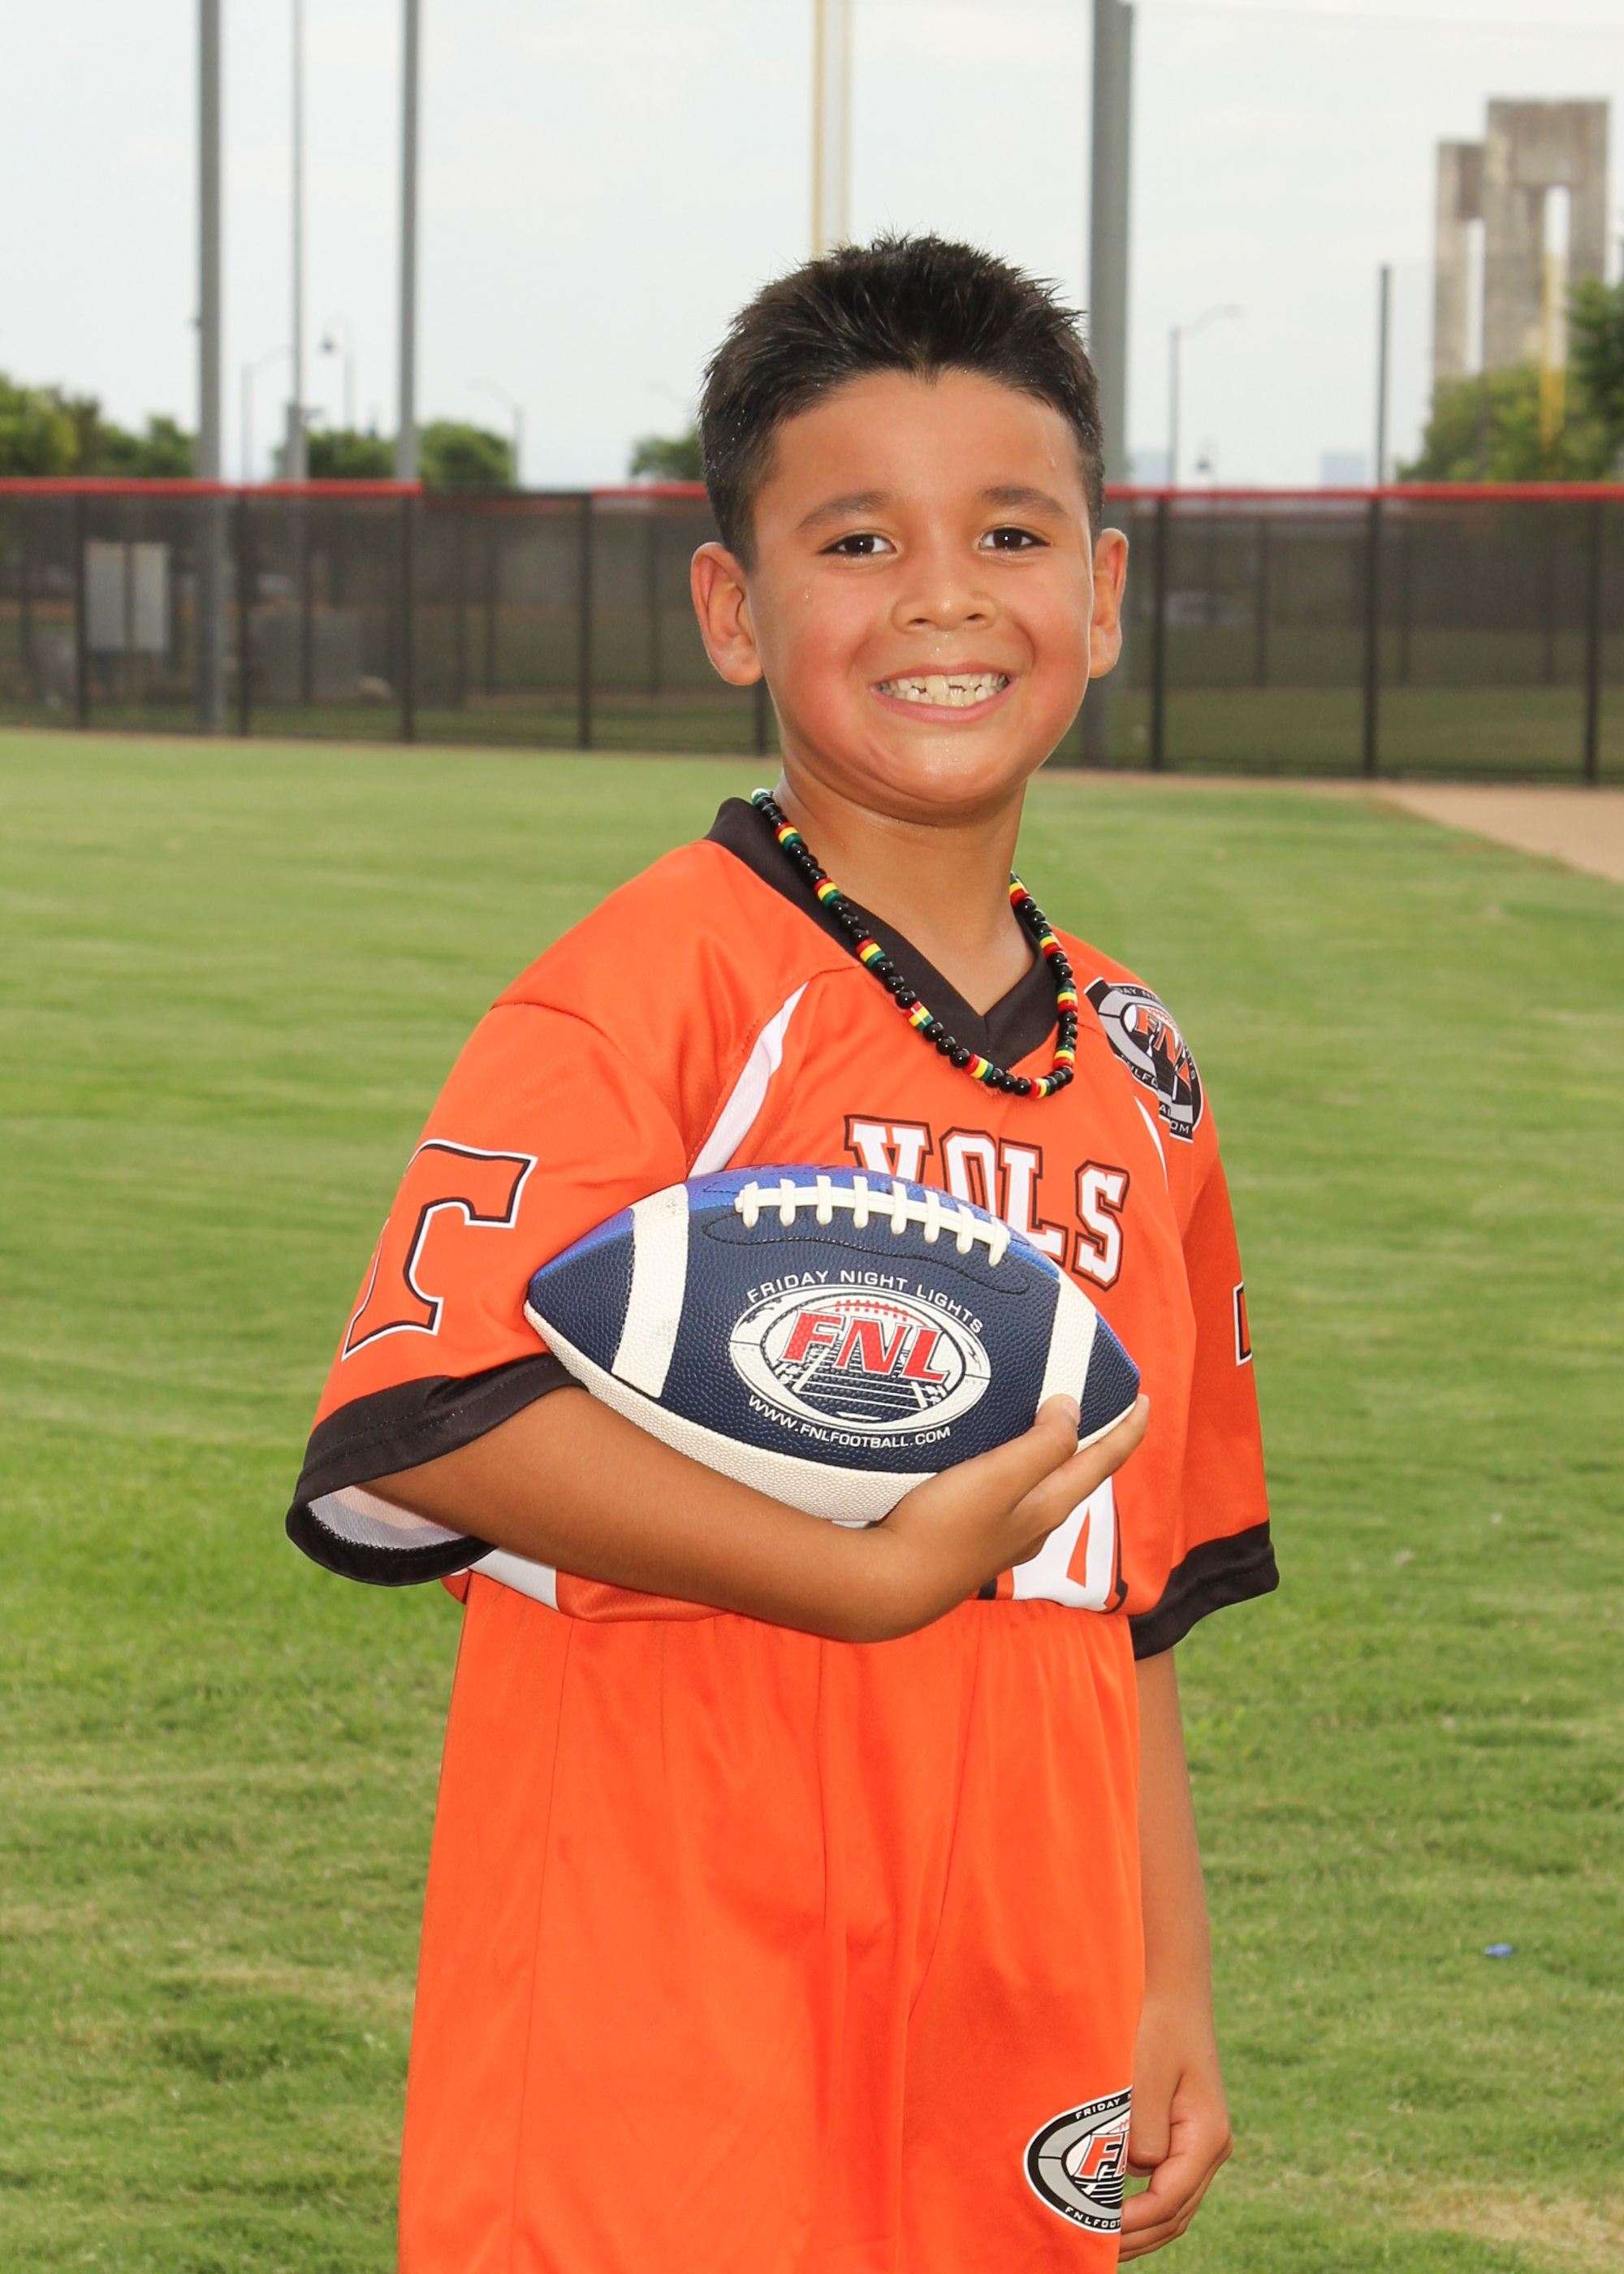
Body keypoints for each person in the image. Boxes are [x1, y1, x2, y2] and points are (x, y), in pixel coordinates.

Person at [287, 234, 1276, 2272]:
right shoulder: (649, 991)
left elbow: (1132, 1589)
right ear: (734, 607)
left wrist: (1165, 1968)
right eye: (857, 539)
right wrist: (866, 1571)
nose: (942, 595)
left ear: (1100, 592)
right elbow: (429, 1414)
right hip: (666, 1982)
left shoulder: (1142, 1073)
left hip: (1015, 1983)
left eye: (1010, 532)